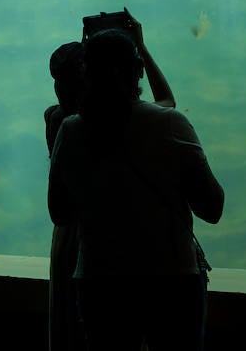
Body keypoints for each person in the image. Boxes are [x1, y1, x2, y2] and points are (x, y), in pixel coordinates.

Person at [48, 21, 222, 351]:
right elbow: (212, 208)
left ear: (87, 72)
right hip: (172, 282)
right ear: (138, 69)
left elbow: (59, 211)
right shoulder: (170, 124)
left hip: (100, 284)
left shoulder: (69, 131)